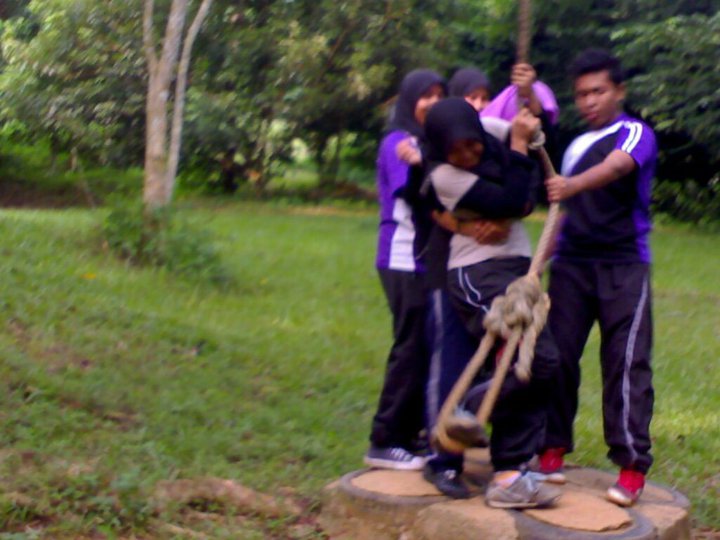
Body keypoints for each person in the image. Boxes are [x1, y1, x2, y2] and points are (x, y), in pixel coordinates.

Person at [423, 97, 561, 508]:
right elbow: (512, 200)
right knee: (530, 358)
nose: (467, 155)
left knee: (538, 365)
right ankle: (465, 409)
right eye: (456, 150)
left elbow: (527, 195)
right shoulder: (443, 175)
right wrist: (517, 152)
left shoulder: (495, 134)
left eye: (472, 144)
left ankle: (509, 474)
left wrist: (526, 132)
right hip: (476, 272)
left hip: (517, 268)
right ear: (441, 149)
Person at [539, 48, 657, 507]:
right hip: (571, 265)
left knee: (625, 363)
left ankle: (631, 467)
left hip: (623, 265)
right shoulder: (574, 146)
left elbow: (618, 167)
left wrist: (571, 183)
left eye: (598, 91)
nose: (589, 101)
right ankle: (550, 449)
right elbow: (564, 212)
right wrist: (539, 264)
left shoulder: (635, 133)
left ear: (618, 91)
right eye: (582, 94)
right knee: (556, 357)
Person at [364, 69, 445, 470]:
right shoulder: (398, 141)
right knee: (409, 348)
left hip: (425, 261)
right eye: (425, 95)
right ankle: (384, 440)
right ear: (409, 100)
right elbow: (415, 193)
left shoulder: (429, 144)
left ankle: (412, 434)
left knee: (425, 348)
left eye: (439, 95)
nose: (432, 102)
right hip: (401, 256)